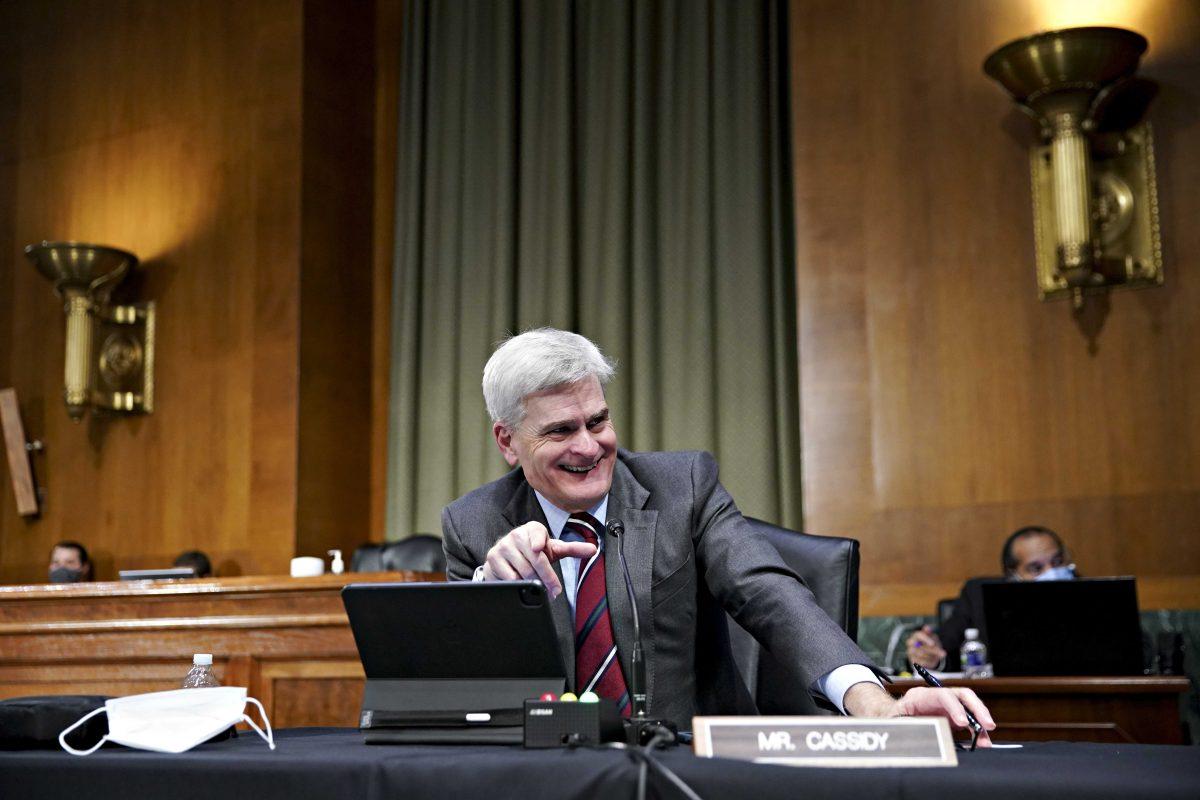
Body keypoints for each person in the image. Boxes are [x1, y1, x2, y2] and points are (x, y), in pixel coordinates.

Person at [442, 328, 995, 740]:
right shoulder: (474, 526)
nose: (588, 447)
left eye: (598, 421)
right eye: (561, 430)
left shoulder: (683, 486)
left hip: (688, 764)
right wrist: (492, 587)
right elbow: (466, 691)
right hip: (549, 771)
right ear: (508, 441)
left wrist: (875, 704)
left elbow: (768, 593)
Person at [906, 525, 1075, 671]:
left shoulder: (1086, 594)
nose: (1051, 572)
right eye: (1036, 568)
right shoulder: (978, 597)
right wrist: (929, 654)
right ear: (1013, 575)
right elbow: (946, 651)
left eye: (1057, 561)